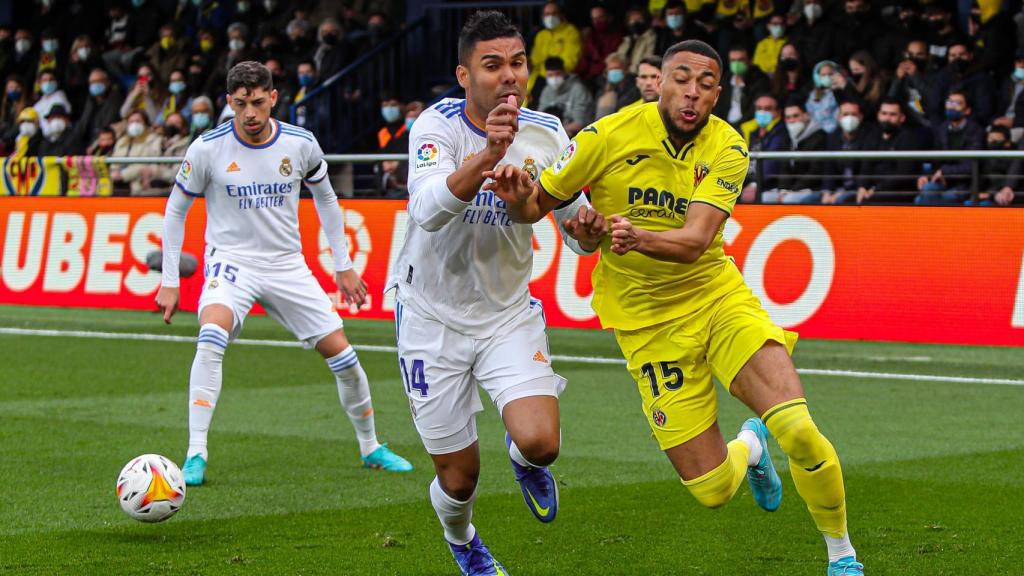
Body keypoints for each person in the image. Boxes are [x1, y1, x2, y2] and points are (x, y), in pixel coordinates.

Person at [484, 39, 864, 576]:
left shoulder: (727, 147)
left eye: (706, 84)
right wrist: (521, 198)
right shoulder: (606, 135)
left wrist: (628, 235)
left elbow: (693, 241)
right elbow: (534, 210)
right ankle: (751, 450)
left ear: (718, 95)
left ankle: (842, 554)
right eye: (681, 78)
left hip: (715, 299)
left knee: (798, 428)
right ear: (659, 82)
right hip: (645, 323)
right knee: (711, 489)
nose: (692, 93)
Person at [391, 11, 603, 575]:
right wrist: (487, 156)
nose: (508, 77)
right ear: (464, 75)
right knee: (459, 479)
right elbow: (427, 211)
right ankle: (462, 540)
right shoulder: (435, 127)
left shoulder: (548, 132)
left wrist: (587, 230)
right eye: (492, 66)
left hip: (506, 313)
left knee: (541, 443)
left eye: (517, 64)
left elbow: (576, 232)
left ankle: (521, 456)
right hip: (430, 317)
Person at [155, 61, 413, 486]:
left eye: (258, 102)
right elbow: (176, 209)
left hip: (287, 264)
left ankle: (371, 447)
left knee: (344, 357)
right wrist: (169, 280)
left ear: (273, 98)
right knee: (212, 334)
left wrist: (343, 266)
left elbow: (327, 201)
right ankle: (195, 452)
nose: (250, 113)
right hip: (231, 262)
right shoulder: (207, 148)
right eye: (241, 104)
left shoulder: (300, 144)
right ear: (229, 103)